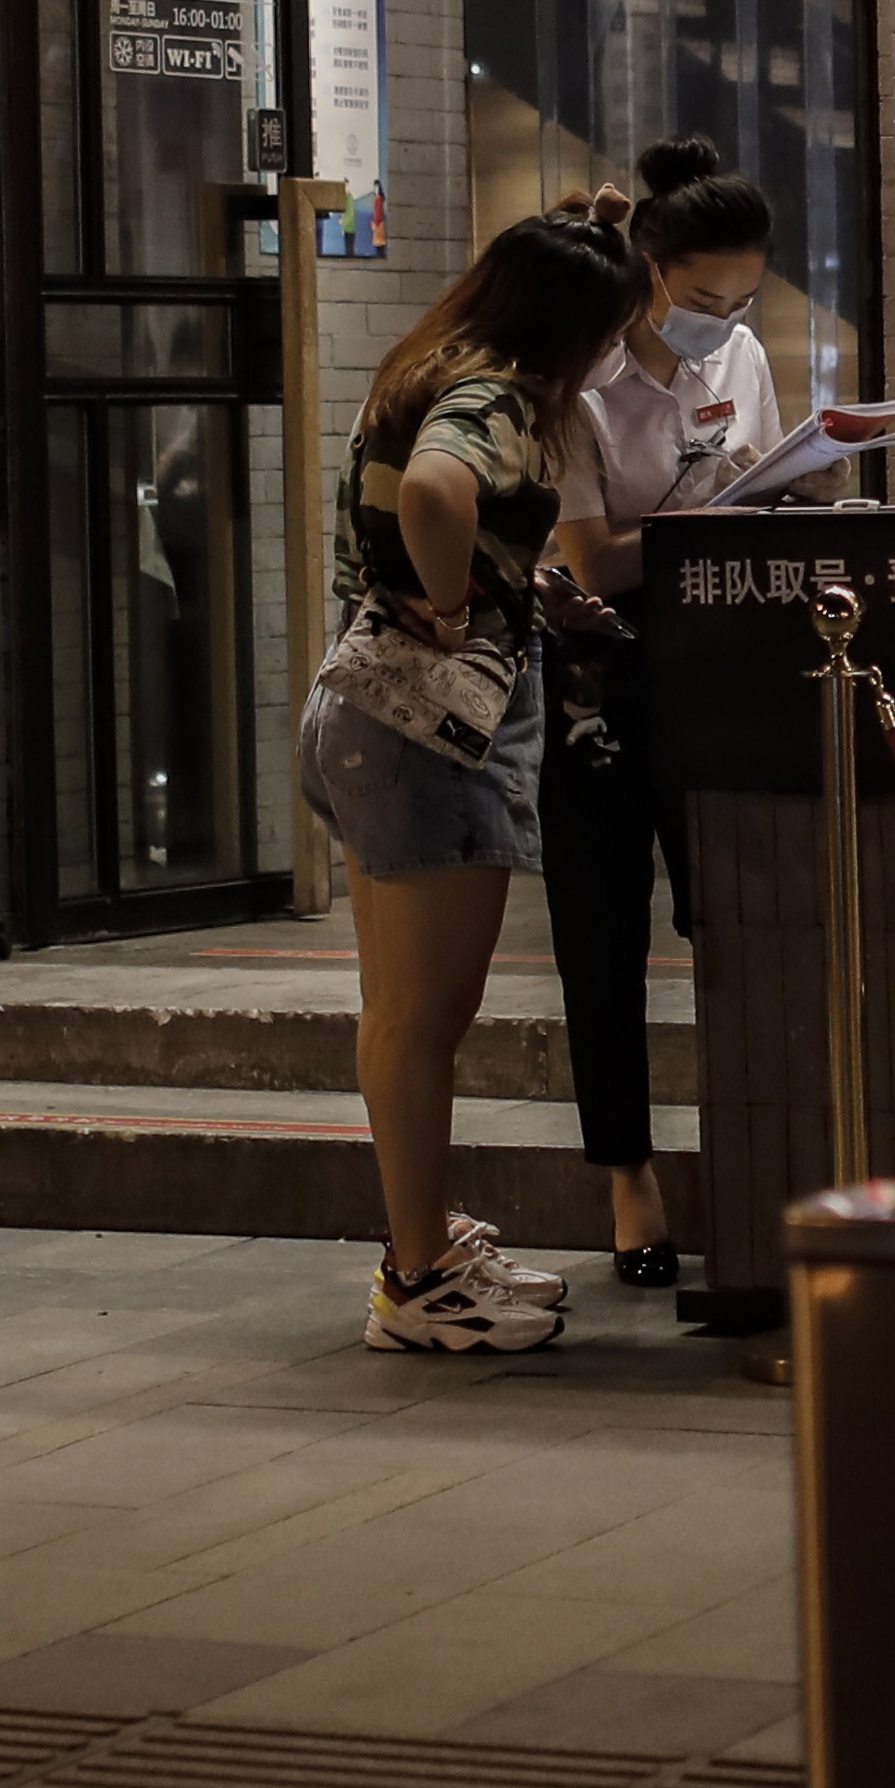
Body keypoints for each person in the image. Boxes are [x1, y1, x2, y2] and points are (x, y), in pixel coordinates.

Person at [307, 207, 641, 1354]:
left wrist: (510, 585)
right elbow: (439, 494)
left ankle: (425, 1244)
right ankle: (417, 1278)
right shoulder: (497, 395)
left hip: (371, 712)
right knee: (419, 1017)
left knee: (404, 1014)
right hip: (425, 733)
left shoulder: (431, 361)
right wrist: (455, 607)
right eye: (611, 330)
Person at [544, 138, 788, 1300]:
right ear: (646, 268)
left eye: (741, 299)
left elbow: (766, 477)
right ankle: (627, 1177)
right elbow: (590, 556)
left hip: (720, 665)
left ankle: (756, 1156)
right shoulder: (579, 382)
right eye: (701, 299)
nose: (722, 320)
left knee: (733, 921)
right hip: (597, 678)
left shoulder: (738, 351)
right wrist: (709, 527)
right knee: (602, 937)